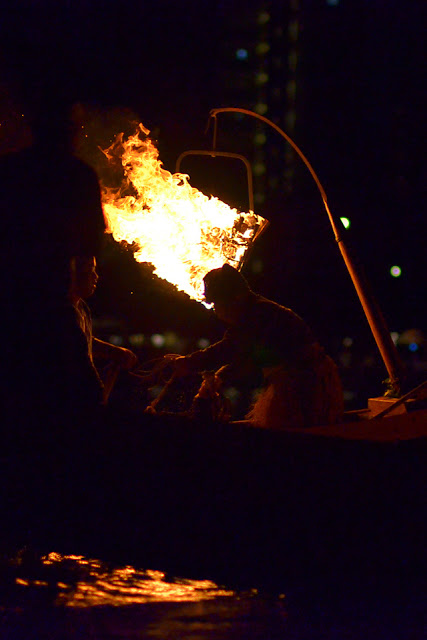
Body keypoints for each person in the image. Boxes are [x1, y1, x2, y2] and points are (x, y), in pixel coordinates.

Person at [170, 263, 344, 429]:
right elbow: (246, 357)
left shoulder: (258, 314)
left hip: (305, 386)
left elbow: (230, 348)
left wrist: (189, 363)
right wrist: (219, 377)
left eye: (217, 303)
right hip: (301, 381)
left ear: (236, 297)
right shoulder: (257, 312)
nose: (216, 311)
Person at [69, 256, 139, 404]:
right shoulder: (62, 312)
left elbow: (85, 341)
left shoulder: (82, 308)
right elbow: (79, 355)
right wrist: (96, 393)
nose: (96, 276)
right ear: (72, 272)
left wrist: (114, 351)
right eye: (90, 270)